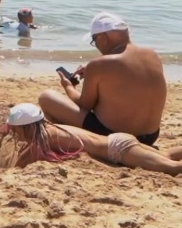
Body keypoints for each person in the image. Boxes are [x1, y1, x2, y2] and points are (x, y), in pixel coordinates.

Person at [37, 12, 165, 146]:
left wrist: (68, 86)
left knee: (47, 97)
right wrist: (94, 70)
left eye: (94, 40)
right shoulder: (153, 55)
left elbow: (84, 105)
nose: (96, 45)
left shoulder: (99, 64)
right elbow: (129, 78)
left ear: (103, 38)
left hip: (113, 136)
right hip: (150, 137)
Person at [0, 103, 182, 174]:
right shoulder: (52, 128)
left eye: (15, 130)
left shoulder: (46, 137)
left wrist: (8, 172)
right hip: (118, 141)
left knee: (172, 168)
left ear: (28, 127)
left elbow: (24, 160)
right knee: (166, 156)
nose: (15, 134)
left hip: (119, 151)